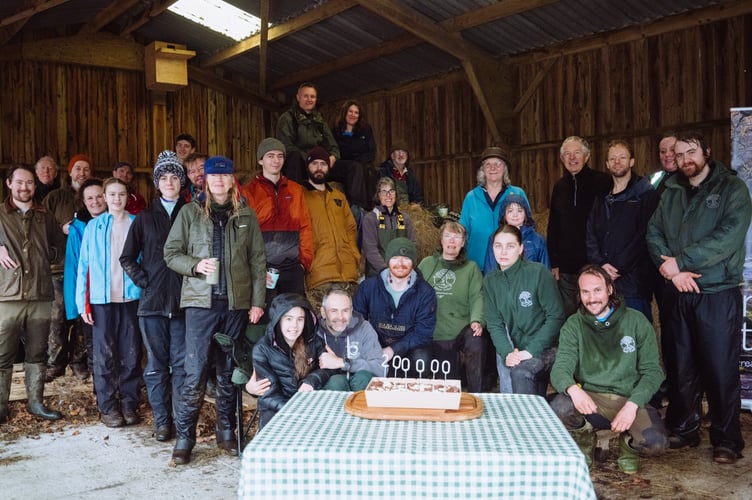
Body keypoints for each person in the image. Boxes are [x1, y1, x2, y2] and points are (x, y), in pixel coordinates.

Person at [646, 131, 751, 464]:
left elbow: (728, 238)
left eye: (691, 152)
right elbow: (653, 232)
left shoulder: (731, 189)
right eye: (679, 155)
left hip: (716, 293)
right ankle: (684, 428)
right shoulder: (672, 191)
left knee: (719, 368)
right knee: (681, 364)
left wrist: (683, 261)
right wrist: (672, 271)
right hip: (679, 290)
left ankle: (726, 439)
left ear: (706, 151)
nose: (685, 160)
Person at [164, 155, 266, 464]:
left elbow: (258, 262)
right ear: (205, 180)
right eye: (214, 176)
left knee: (228, 372)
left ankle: (226, 432)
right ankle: (185, 438)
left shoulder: (246, 215)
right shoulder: (190, 213)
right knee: (194, 373)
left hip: (234, 306)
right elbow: (171, 253)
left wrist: (258, 301)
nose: (219, 181)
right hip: (200, 305)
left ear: (232, 180)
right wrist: (195, 266)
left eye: (225, 176)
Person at [549, 265, 667, 473]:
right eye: (585, 292)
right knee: (559, 407)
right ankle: (584, 441)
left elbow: (653, 371)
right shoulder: (574, 325)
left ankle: (627, 444)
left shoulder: (636, 321)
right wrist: (574, 390)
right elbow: (560, 370)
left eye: (597, 290)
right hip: (591, 398)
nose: (591, 298)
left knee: (656, 444)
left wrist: (633, 405)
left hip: (629, 398)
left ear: (610, 289)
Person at [120, 151, 188, 442]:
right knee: (158, 366)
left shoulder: (193, 213)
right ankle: (163, 422)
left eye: (175, 176)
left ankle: (183, 421)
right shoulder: (145, 217)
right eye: (164, 177)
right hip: (153, 305)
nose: (170, 182)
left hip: (186, 303)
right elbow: (126, 257)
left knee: (183, 365)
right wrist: (144, 281)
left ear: (181, 182)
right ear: (157, 182)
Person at [0, 165, 66, 423]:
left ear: (34, 185)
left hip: (40, 294)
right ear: (9, 183)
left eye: (29, 183)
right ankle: (2, 407)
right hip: (7, 295)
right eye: (19, 182)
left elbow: (58, 249)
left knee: (38, 352)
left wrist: (43, 257)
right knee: (3, 353)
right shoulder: (0, 214)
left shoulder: (45, 216)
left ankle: (36, 404)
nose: (24, 187)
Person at [75, 177, 141, 428]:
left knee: (131, 353)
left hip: (130, 298)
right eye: (111, 194)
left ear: (127, 196)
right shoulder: (94, 226)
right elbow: (84, 266)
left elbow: (143, 262)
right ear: (104, 196)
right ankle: (108, 406)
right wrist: (83, 303)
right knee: (104, 355)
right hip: (102, 300)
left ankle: (129, 403)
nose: (116, 199)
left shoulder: (136, 224)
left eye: (121, 194)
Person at [484, 225, 564, 396]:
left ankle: (525, 418)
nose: (503, 252)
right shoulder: (490, 281)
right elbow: (494, 323)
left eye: (510, 246)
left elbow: (556, 316)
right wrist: (507, 353)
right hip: (517, 349)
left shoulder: (538, 273)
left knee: (520, 372)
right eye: (498, 246)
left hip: (547, 348)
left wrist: (530, 351)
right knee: (522, 375)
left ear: (521, 248)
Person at [586, 140, 658, 321]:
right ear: (607, 164)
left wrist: (619, 266)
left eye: (622, 157)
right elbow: (591, 233)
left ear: (632, 161)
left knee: (636, 335)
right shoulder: (602, 196)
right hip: (604, 279)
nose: (617, 162)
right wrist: (601, 263)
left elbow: (645, 236)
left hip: (634, 281)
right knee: (608, 337)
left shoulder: (645, 194)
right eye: (613, 158)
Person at [242, 138, 313, 306]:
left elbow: (306, 227)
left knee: (294, 314)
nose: (276, 161)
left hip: (292, 266)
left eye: (280, 156)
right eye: (270, 156)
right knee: (265, 317)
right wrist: (251, 268)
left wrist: (304, 263)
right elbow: (244, 233)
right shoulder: (249, 192)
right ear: (261, 160)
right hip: (263, 267)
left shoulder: (295, 190)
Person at [418, 221, 486, 392]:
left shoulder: (471, 268)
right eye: (447, 236)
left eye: (457, 237)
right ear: (441, 240)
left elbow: (477, 296)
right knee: (449, 383)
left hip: (461, 327)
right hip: (436, 329)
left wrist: (477, 320)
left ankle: (476, 393)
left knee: (476, 341)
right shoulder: (427, 264)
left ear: (463, 243)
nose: (452, 241)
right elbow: (413, 293)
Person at [547, 136, 610, 316]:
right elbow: (553, 226)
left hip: (594, 263)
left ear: (587, 156)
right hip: (567, 268)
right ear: (562, 158)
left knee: (595, 312)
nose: (572, 158)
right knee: (569, 314)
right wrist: (555, 262)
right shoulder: (559, 187)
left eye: (576, 153)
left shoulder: (602, 182)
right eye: (567, 154)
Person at [43, 154, 93, 381]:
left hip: (89, 268)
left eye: (85, 169)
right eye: (78, 169)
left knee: (84, 316)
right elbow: (41, 227)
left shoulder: (92, 198)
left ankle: (78, 360)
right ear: (70, 172)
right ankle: (56, 362)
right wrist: (60, 229)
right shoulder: (55, 198)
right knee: (58, 317)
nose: (81, 173)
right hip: (59, 268)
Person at [353, 238, 436, 374]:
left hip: (409, 347)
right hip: (376, 343)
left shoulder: (425, 292)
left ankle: (411, 391)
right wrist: (372, 346)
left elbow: (423, 333)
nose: (400, 263)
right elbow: (356, 321)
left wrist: (394, 349)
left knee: (422, 358)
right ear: (387, 260)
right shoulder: (369, 287)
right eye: (395, 258)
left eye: (406, 259)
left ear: (414, 263)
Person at [251, 293, 333, 428]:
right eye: (289, 319)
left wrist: (312, 380)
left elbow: (330, 366)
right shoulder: (262, 349)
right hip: (276, 408)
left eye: (300, 319)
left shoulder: (312, 342)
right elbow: (269, 394)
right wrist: (295, 411)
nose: (294, 325)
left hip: (307, 403)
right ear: (278, 320)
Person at [301, 146, 360, 300]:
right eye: (314, 164)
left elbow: (351, 228)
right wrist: (310, 263)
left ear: (328, 167)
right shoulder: (300, 196)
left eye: (323, 163)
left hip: (348, 276)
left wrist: (354, 256)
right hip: (321, 277)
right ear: (307, 167)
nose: (319, 168)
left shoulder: (338, 196)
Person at [62, 179, 106, 377]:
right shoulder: (77, 228)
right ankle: (100, 387)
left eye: (99, 196)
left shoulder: (120, 221)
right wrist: (75, 306)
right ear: (84, 202)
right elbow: (73, 268)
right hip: (88, 294)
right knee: (92, 342)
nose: (95, 201)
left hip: (114, 296)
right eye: (90, 198)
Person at [459, 147, 529, 270]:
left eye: (498, 164)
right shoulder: (471, 197)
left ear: (505, 169)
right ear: (482, 170)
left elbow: (528, 226)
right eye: (488, 165)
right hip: (477, 265)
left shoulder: (517, 194)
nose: (493, 168)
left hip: (511, 265)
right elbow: (463, 231)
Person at [315, 286, 384, 391]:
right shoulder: (314, 331)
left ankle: (359, 407)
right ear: (323, 312)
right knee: (336, 382)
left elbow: (380, 368)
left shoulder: (364, 328)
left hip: (359, 386)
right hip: (331, 387)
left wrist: (344, 363)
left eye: (345, 310)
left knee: (363, 378)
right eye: (334, 311)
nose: (340, 317)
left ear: (351, 311)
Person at [276, 82, 340, 184]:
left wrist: (333, 156)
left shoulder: (320, 121)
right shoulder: (287, 118)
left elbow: (333, 145)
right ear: (298, 97)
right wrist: (310, 159)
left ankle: (356, 200)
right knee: (294, 157)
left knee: (353, 167)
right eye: (305, 96)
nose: (309, 99)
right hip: (300, 164)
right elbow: (286, 146)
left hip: (320, 164)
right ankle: (295, 196)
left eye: (312, 97)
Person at [361, 176, 416, 277]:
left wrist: (403, 269)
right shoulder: (371, 218)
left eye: (391, 191)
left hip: (402, 272)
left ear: (396, 194)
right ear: (378, 195)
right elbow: (371, 251)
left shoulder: (404, 218)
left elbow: (412, 245)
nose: (388, 195)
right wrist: (387, 271)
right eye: (384, 191)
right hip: (377, 273)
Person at [483, 193, 549, 273]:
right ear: (504, 215)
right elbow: (490, 271)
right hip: (502, 284)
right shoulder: (494, 238)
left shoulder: (538, 240)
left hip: (531, 284)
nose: (515, 215)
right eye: (510, 211)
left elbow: (545, 271)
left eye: (519, 210)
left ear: (525, 214)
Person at [332, 99, 377, 204]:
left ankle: (371, 205)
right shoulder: (336, 131)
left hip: (361, 163)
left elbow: (371, 151)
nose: (353, 115)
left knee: (370, 171)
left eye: (356, 112)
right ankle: (356, 205)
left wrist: (360, 161)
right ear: (345, 113)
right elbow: (336, 152)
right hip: (343, 165)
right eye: (350, 111)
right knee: (355, 168)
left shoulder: (365, 130)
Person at [649, 132, 678, 196]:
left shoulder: (691, 178)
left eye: (672, 150)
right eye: (663, 151)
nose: (667, 154)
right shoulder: (653, 179)